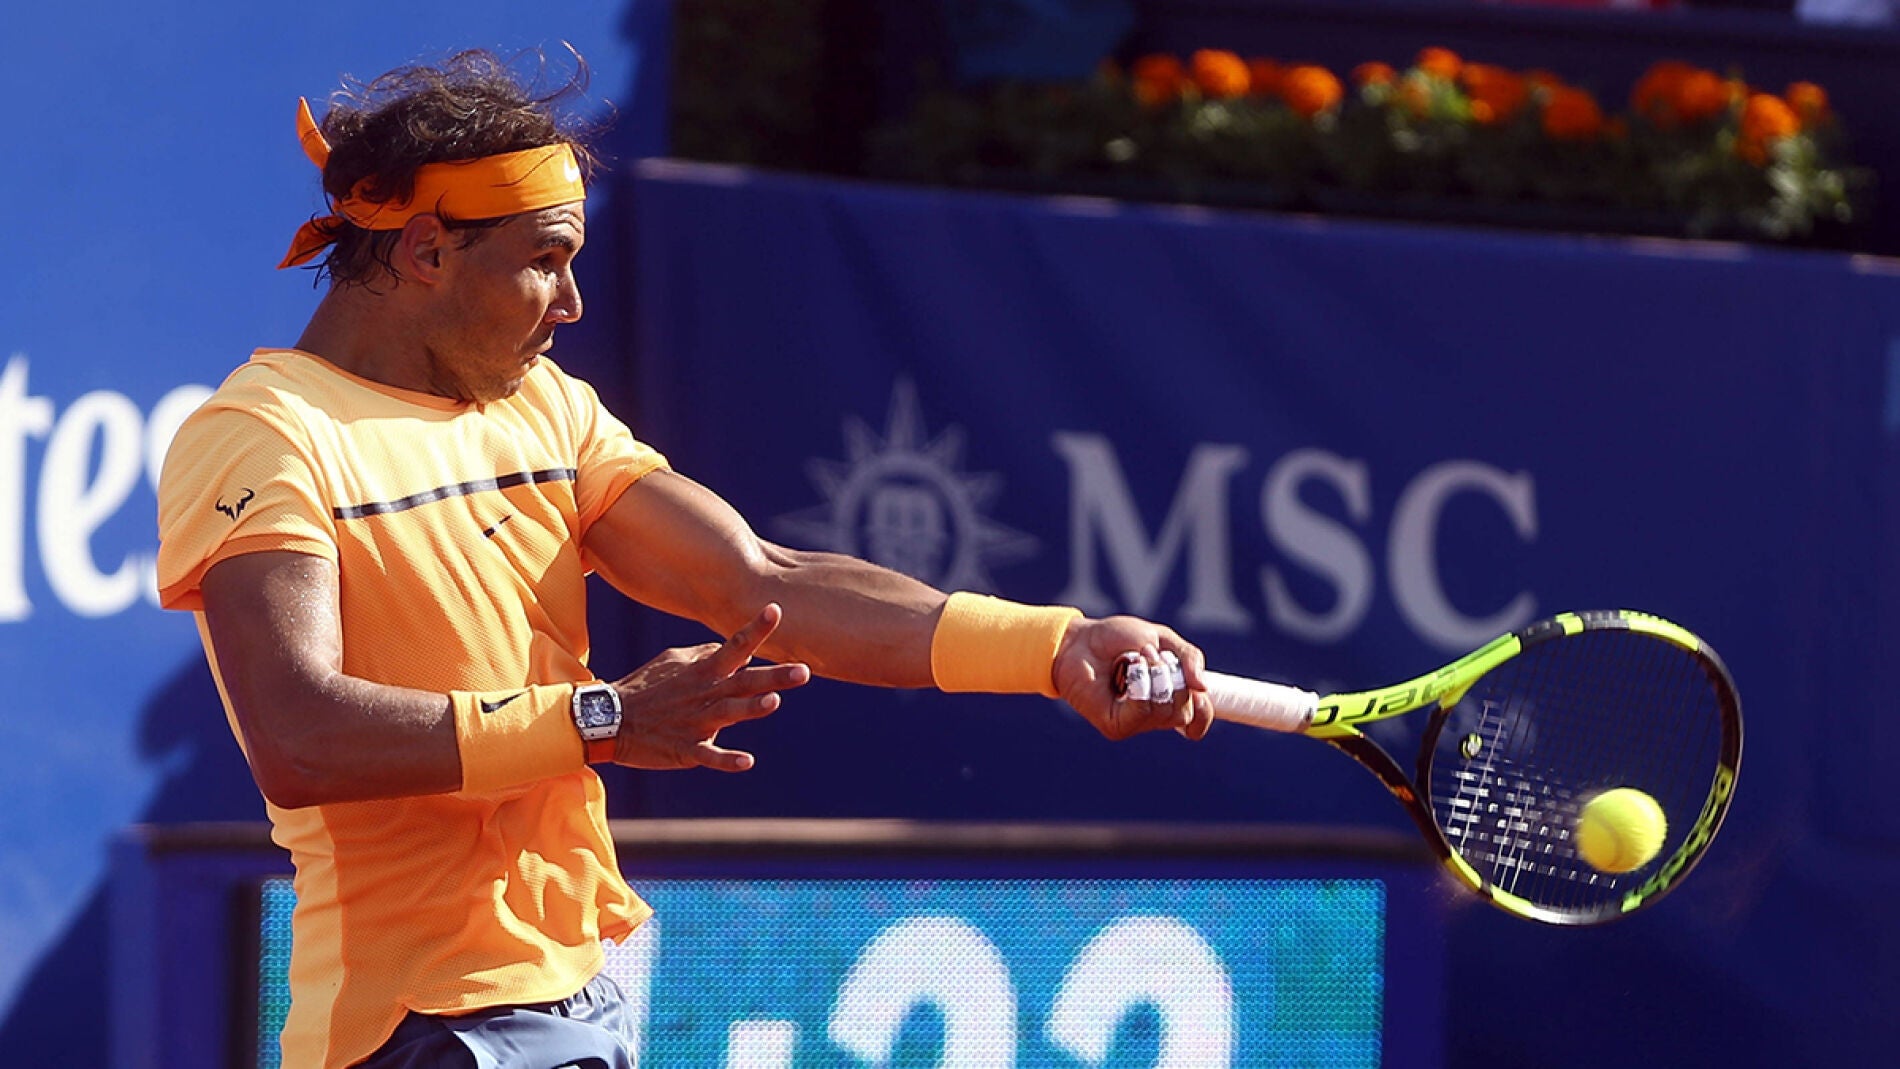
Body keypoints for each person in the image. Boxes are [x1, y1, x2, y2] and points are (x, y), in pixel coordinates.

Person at [155, 49, 1214, 1069]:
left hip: (572, 987)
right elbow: (300, 736)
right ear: (428, 250)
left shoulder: (544, 410)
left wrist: (1053, 645)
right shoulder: (266, 435)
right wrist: (599, 718)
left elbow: (761, 586)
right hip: (427, 1019)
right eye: (544, 260)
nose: (570, 304)